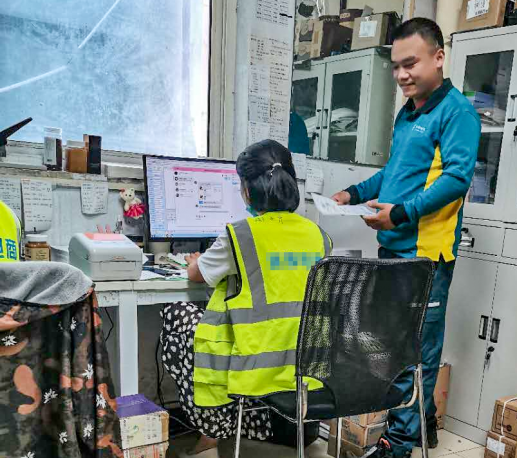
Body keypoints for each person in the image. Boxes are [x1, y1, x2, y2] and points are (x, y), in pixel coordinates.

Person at [332, 18, 481, 458]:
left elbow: (456, 178)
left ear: (439, 57)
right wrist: (353, 193)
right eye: (396, 66)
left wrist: (398, 214)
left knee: (415, 354)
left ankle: (397, 446)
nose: (401, 75)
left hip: (425, 256)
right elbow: (395, 172)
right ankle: (422, 427)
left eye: (410, 63)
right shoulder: (409, 112)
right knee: (398, 349)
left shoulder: (457, 112)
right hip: (395, 250)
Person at [160, 139, 331, 453]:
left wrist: (195, 260)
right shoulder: (319, 236)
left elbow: (197, 275)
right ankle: (245, 426)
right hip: (306, 368)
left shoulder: (240, 235)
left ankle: (211, 432)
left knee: (178, 314)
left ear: (247, 191)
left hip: (253, 366)